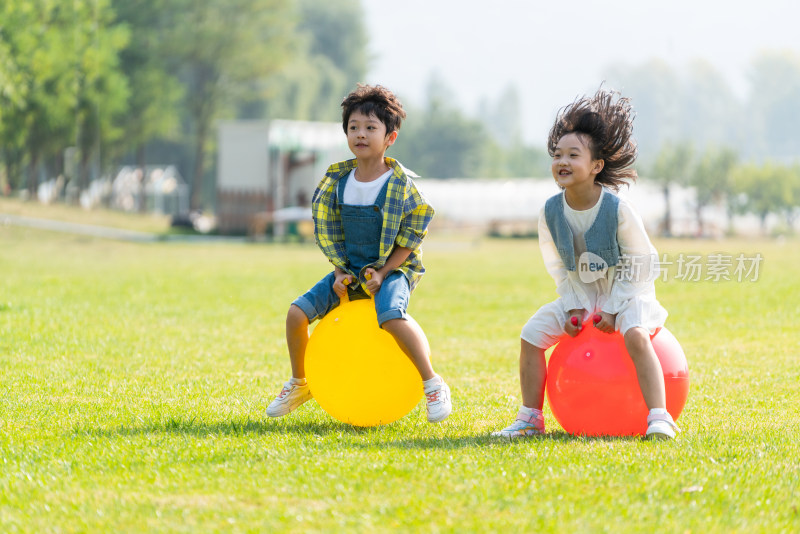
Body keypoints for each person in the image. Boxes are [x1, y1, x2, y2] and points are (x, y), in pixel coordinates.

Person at [493, 89, 679, 440]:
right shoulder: (550, 212)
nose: (562, 161)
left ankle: (659, 416)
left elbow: (641, 262)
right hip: (581, 296)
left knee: (637, 336)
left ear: (596, 166)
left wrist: (611, 308)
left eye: (573, 155)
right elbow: (559, 267)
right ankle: (531, 417)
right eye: (557, 154)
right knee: (531, 335)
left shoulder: (617, 210)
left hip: (627, 295)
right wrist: (574, 305)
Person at [266, 84, 452, 423]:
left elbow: (412, 236)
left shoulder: (401, 185)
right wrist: (339, 271)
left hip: (393, 270)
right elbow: (331, 232)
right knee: (296, 314)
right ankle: (300, 381)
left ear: (390, 137)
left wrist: (383, 272)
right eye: (353, 127)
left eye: (370, 128)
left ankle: (432, 382)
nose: (360, 134)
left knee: (391, 316)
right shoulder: (337, 182)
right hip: (350, 269)